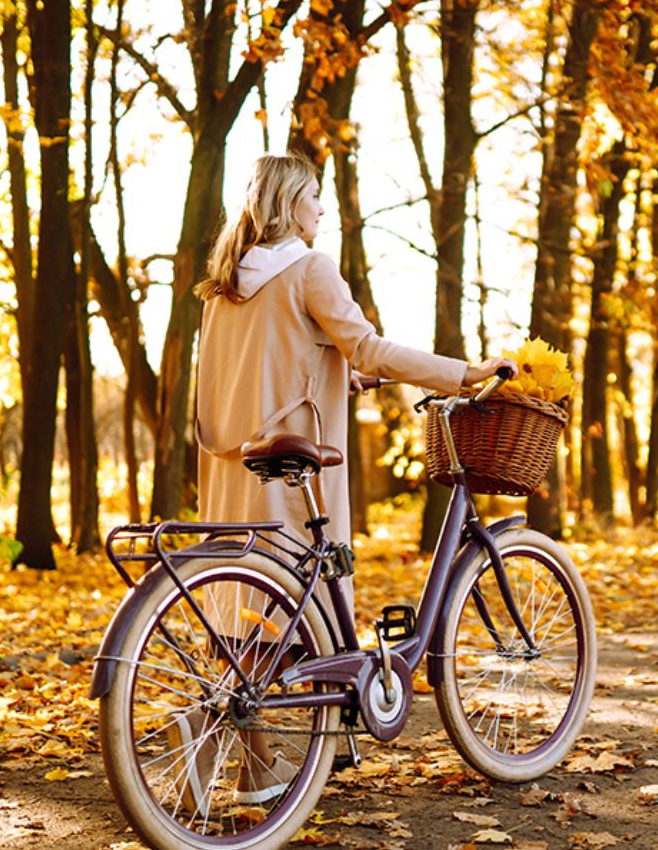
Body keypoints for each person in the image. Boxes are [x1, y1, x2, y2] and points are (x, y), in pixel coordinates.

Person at [183, 151, 514, 808]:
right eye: (313, 195)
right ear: (288, 204)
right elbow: (368, 346)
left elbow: (264, 363)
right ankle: (206, 727)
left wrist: (339, 374)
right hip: (292, 466)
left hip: (231, 464)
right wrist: (464, 373)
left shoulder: (227, 284)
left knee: (252, 611)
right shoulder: (309, 268)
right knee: (291, 608)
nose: (321, 207)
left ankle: (261, 765)